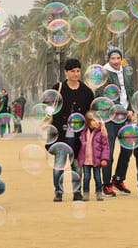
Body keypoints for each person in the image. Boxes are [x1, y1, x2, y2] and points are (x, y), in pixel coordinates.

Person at [49, 58, 94, 202]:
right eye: (73, 71)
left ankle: (77, 192)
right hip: (61, 134)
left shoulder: (86, 91)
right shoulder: (58, 88)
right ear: (66, 72)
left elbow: (90, 112)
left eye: (78, 71)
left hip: (78, 136)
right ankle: (58, 191)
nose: (76, 74)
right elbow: (48, 107)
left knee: (76, 165)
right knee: (59, 165)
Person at [95, 47, 136, 196]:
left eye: (118, 58)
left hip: (125, 116)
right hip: (110, 118)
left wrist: (131, 109)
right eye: (113, 59)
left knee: (127, 148)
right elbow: (99, 96)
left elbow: (131, 92)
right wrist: (102, 120)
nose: (116, 61)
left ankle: (118, 179)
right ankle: (106, 185)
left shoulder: (126, 72)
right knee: (108, 151)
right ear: (108, 60)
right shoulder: (103, 74)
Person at [77, 111, 109, 201]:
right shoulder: (83, 131)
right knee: (86, 178)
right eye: (94, 120)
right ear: (88, 121)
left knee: (98, 178)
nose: (97, 122)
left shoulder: (102, 132)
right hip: (86, 160)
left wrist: (104, 159)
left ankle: (99, 193)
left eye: (98, 120)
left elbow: (106, 147)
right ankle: (86, 193)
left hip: (97, 160)